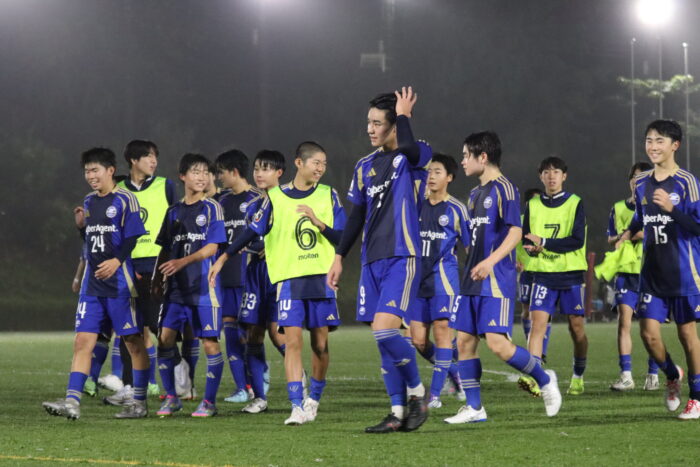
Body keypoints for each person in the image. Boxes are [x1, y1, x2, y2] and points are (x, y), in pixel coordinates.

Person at [211, 141, 345, 425]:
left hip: (321, 279)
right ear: (299, 163)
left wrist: (319, 223)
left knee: (320, 345)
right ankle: (296, 405)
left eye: (323, 164)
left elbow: (342, 238)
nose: (320, 168)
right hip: (288, 279)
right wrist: (224, 257)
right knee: (291, 341)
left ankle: (313, 399)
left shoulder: (328, 195)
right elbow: (251, 231)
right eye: (316, 163)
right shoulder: (275, 198)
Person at [328, 86, 430, 433]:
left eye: (377, 123)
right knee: (381, 338)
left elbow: (412, 149)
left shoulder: (412, 155)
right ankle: (397, 412)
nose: (370, 129)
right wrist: (339, 257)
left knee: (386, 330)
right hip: (372, 260)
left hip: (402, 255)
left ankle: (418, 394)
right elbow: (356, 216)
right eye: (368, 122)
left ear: (394, 125)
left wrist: (404, 116)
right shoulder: (364, 166)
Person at [444, 132, 561, 424]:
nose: (462, 161)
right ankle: (474, 408)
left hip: (495, 278)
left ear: (482, 157)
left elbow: (515, 232)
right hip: (472, 279)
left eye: (466, 155)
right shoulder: (474, 194)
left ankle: (545, 379)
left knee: (497, 344)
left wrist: (489, 261)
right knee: (464, 343)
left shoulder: (505, 189)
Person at [43, 147, 149, 419]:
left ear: (110, 170)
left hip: (120, 284)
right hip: (92, 286)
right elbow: (93, 240)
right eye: (87, 171)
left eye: (95, 170)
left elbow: (132, 237)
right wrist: (81, 228)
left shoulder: (126, 199)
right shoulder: (89, 201)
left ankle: (139, 402)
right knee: (82, 341)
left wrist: (117, 261)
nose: (90, 176)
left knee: (133, 342)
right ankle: (72, 402)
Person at [616, 119, 700, 420]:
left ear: (675, 145)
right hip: (651, 273)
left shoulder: (687, 182)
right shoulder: (641, 182)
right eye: (649, 140)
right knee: (648, 335)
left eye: (659, 140)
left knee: (687, 335)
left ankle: (697, 398)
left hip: (683, 273)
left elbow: (698, 227)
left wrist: (672, 210)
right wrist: (628, 232)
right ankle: (672, 374)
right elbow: (640, 217)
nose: (652, 146)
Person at [101, 140, 178, 407]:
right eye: (147, 156)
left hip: (157, 266)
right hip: (126, 266)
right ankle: (130, 386)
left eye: (155, 156)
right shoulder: (118, 189)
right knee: (128, 328)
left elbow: (176, 222)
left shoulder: (165, 186)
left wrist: (171, 261)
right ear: (133, 160)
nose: (153, 161)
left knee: (159, 326)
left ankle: (178, 375)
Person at [152, 153, 226, 418]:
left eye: (206, 173)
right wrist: (157, 278)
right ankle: (172, 397)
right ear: (182, 176)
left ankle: (209, 402)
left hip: (204, 288)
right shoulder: (173, 211)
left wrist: (182, 262)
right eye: (196, 172)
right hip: (175, 289)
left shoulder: (212, 208)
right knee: (165, 339)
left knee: (210, 343)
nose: (202, 177)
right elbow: (164, 248)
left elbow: (212, 247)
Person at [410, 153, 469, 408]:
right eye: (429, 171)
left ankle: (433, 396)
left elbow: (470, 247)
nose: (431, 176)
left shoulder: (457, 209)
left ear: (449, 177)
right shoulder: (415, 205)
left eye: (437, 172)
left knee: (443, 332)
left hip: (444, 280)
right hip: (417, 281)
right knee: (418, 340)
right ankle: (455, 373)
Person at [600, 162, 659, 391]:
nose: (637, 180)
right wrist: (622, 237)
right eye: (635, 176)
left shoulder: (656, 205)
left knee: (650, 326)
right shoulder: (618, 207)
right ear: (630, 181)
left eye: (642, 177)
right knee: (623, 322)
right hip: (626, 273)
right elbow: (610, 238)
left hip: (651, 272)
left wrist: (634, 234)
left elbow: (660, 232)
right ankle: (626, 375)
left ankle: (653, 374)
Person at [213, 149, 264, 403]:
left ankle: (262, 376)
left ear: (234, 172)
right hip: (226, 276)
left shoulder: (258, 199)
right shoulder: (220, 202)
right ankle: (242, 388)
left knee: (251, 334)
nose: (218, 177)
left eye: (221, 172)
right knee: (230, 333)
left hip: (249, 277)